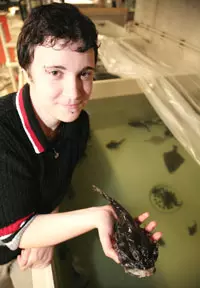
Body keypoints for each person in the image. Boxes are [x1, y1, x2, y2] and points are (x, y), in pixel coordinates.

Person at [0, 3, 162, 288]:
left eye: (85, 73)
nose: (74, 93)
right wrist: (95, 217)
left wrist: (47, 227)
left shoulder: (77, 125)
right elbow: (14, 233)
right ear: (27, 69)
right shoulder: (4, 136)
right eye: (55, 73)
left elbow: (57, 181)